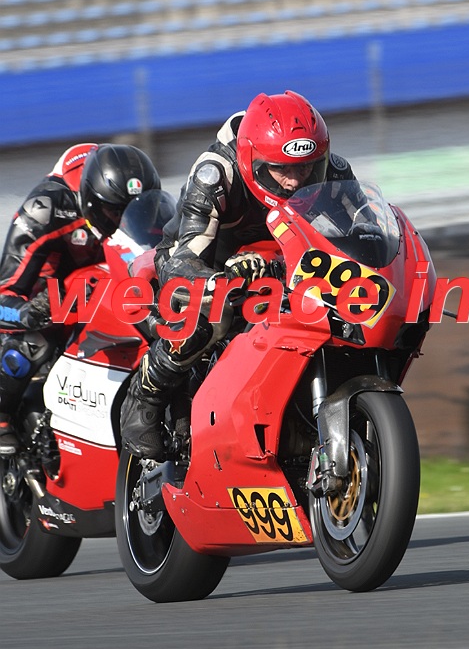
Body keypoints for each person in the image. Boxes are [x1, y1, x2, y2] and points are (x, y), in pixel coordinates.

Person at [120, 89, 356, 461]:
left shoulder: (334, 175)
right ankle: (146, 395)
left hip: (282, 264)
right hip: (198, 260)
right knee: (213, 310)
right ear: (252, 159)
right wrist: (221, 279)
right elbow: (186, 256)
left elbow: (357, 239)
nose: (295, 181)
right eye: (281, 168)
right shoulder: (216, 172)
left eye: (305, 167)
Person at [0, 143, 161, 456]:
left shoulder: (148, 204)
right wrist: (30, 312)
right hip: (53, 287)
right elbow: (5, 294)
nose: (125, 219)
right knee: (34, 342)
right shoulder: (46, 208)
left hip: (110, 281)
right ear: (91, 203)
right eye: (115, 212)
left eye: (136, 209)